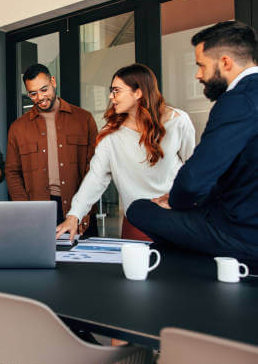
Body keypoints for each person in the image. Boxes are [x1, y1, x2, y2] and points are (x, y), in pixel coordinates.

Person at [127, 20, 258, 261]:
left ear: (226, 62)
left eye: (201, 65)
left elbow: (193, 181)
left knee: (139, 209)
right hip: (241, 215)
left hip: (241, 234)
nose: (198, 74)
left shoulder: (238, 101)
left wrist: (174, 202)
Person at [56, 64, 196, 241]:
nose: (111, 97)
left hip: (176, 218)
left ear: (138, 93)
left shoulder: (179, 121)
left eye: (116, 91)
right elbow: (96, 177)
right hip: (137, 222)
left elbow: (192, 169)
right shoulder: (111, 133)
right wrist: (74, 215)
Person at [6, 64, 98, 235]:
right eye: (33, 94)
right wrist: (25, 210)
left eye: (44, 89)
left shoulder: (84, 119)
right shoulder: (18, 128)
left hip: (78, 207)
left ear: (53, 82)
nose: (40, 97)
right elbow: (12, 172)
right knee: (41, 261)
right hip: (38, 212)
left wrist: (84, 211)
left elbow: (94, 169)